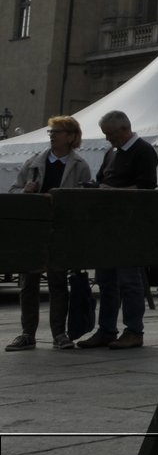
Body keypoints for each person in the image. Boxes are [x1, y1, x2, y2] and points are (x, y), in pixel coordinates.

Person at [6, 116, 93, 351]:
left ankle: (59, 334)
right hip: (34, 231)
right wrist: (25, 190)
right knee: (28, 284)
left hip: (61, 232)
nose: (52, 135)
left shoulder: (79, 165)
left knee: (57, 283)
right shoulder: (34, 162)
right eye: (51, 132)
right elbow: (13, 191)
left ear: (71, 136)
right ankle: (27, 334)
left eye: (57, 131)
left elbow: (86, 199)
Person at [78, 110, 158, 349]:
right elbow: (104, 178)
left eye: (110, 134)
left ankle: (134, 331)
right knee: (106, 280)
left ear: (124, 129)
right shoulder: (112, 152)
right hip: (108, 225)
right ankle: (107, 329)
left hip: (130, 225)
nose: (107, 139)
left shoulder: (144, 151)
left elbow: (146, 188)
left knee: (129, 281)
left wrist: (112, 192)